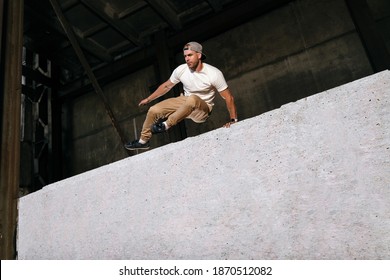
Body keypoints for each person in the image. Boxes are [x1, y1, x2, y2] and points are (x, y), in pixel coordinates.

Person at [125, 41, 238, 150]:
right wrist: (149, 99)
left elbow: (228, 97)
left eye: (190, 55)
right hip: (185, 102)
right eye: (185, 56)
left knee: (193, 99)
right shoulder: (181, 70)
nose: (187, 59)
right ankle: (143, 142)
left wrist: (233, 120)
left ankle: (166, 125)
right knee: (154, 110)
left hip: (203, 109)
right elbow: (166, 86)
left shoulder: (214, 74)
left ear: (199, 55)